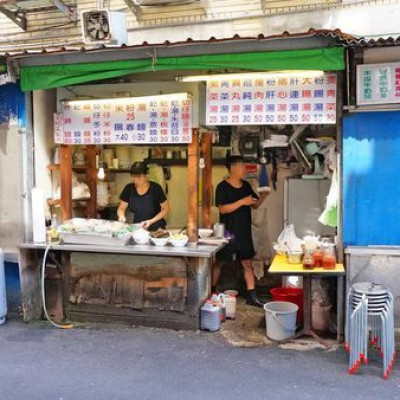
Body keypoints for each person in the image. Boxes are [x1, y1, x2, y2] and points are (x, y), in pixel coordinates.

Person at [213, 155, 268, 308]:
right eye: (241, 166)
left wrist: (263, 195)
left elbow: (255, 205)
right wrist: (242, 202)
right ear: (232, 168)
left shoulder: (245, 186)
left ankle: (252, 296)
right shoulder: (222, 187)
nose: (244, 169)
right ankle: (211, 292)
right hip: (228, 232)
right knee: (220, 262)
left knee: (247, 263)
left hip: (244, 231)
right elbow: (223, 209)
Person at [117, 162, 169, 231]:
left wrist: (150, 221)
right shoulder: (129, 188)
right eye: (134, 176)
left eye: (139, 177)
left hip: (157, 227)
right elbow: (121, 207)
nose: (136, 180)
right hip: (138, 228)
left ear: (146, 174)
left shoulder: (156, 188)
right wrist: (121, 216)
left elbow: (165, 209)